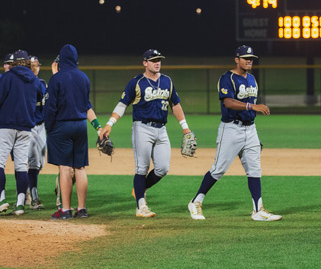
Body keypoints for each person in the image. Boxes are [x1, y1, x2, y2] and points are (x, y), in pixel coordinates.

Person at [187, 45, 281, 222]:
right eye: (245, 58)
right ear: (236, 59)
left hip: (250, 129)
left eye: (251, 58)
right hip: (231, 129)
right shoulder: (227, 78)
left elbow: (248, 104)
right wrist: (252, 106)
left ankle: (258, 210)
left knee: (255, 169)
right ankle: (196, 201)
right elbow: (228, 103)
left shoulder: (252, 79)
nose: (249, 60)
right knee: (218, 169)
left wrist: (252, 132)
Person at [100, 49, 191, 218]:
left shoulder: (167, 81)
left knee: (163, 168)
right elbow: (122, 104)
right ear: (145, 63)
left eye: (159, 60)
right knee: (142, 168)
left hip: (161, 129)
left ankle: (140, 189)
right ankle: (141, 206)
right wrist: (109, 123)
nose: (157, 62)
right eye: (153, 60)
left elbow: (175, 105)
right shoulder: (136, 83)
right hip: (142, 128)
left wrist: (185, 127)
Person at [45, 45, 101, 220]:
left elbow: (51, 107)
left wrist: (49, 126)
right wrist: (98, 127)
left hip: (62, 126)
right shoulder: (84, 78)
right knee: (80, 167)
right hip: (80, 126)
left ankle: (66, 210)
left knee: (65, 167)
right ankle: (82, 209)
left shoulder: (56, 79)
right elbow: (86, 106)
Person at [0, 50, 44, 215]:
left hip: (7, 125)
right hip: (26, 127)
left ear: (13, 63)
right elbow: (40, 93)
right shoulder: (33, 79)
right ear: (26, 62)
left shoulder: (8, 77)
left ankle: (1, 199)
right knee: (20, 166)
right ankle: (20, 205)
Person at [26, 56, 47, 209]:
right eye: (32, 65)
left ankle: (27, 188)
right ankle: (34, 198)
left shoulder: (42, 83)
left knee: (41, 164)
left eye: (36, 65)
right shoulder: (27, 83)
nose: (35, 67)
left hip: (42, 127)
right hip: (29, 127)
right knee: (34, 162)